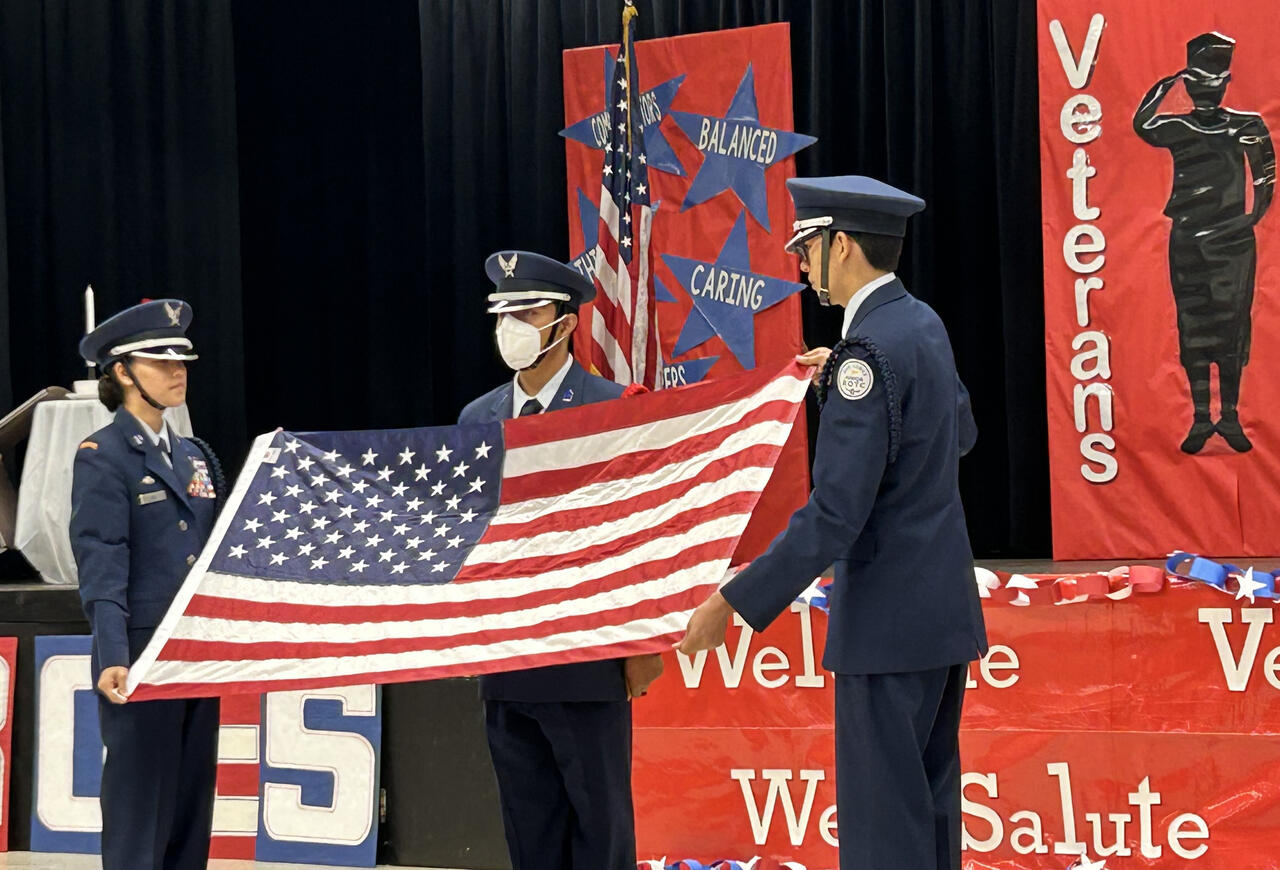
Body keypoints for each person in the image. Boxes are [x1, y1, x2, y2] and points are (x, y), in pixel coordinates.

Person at [676, 176, 987, 870]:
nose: (800, 263)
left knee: (883, 833)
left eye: (806, 246)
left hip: (884, 625)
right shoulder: (922, 324)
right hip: (940, 617)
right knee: (930, 817)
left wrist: (731, 600)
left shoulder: (865, 356)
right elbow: (957, 432)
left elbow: (835, 515)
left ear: (840, 246)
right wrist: (849, 389)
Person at [458, 250, 662, 870]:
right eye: (503, 312)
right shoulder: (477, 417)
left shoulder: (613, 407)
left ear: (568, 323)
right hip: (506, 656)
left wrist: (642, 641)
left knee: (600, 834)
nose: (512, 325)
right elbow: (471, 535)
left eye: (529, 310)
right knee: (530, 835)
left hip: (586, 658)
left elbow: (639, 532)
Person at [70, 298, 224, 870]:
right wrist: (113, 651)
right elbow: (101, 559)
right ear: (122, 372)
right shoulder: (103, 456)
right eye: (159, 361)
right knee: (141, 811)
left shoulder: (194, 454)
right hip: (139, 653)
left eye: (181, 359)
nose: (177, 370)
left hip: (194, 653)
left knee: (188, 809)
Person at [1134, 31, 1275, 453]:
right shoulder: (1178, 127)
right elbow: (1142, 124)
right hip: (1188, 237)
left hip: (1233, 240)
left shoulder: (1246, 124)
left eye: (1212, 83)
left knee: (1232, 328)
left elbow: (1265, 175)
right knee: (1193, 327)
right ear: (1189, 86)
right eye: (1196, 84)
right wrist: (1166, 84)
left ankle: (1229, 416)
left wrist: (1251, 217)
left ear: (1226, 83)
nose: (1205, 92)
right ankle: (1200, 417)